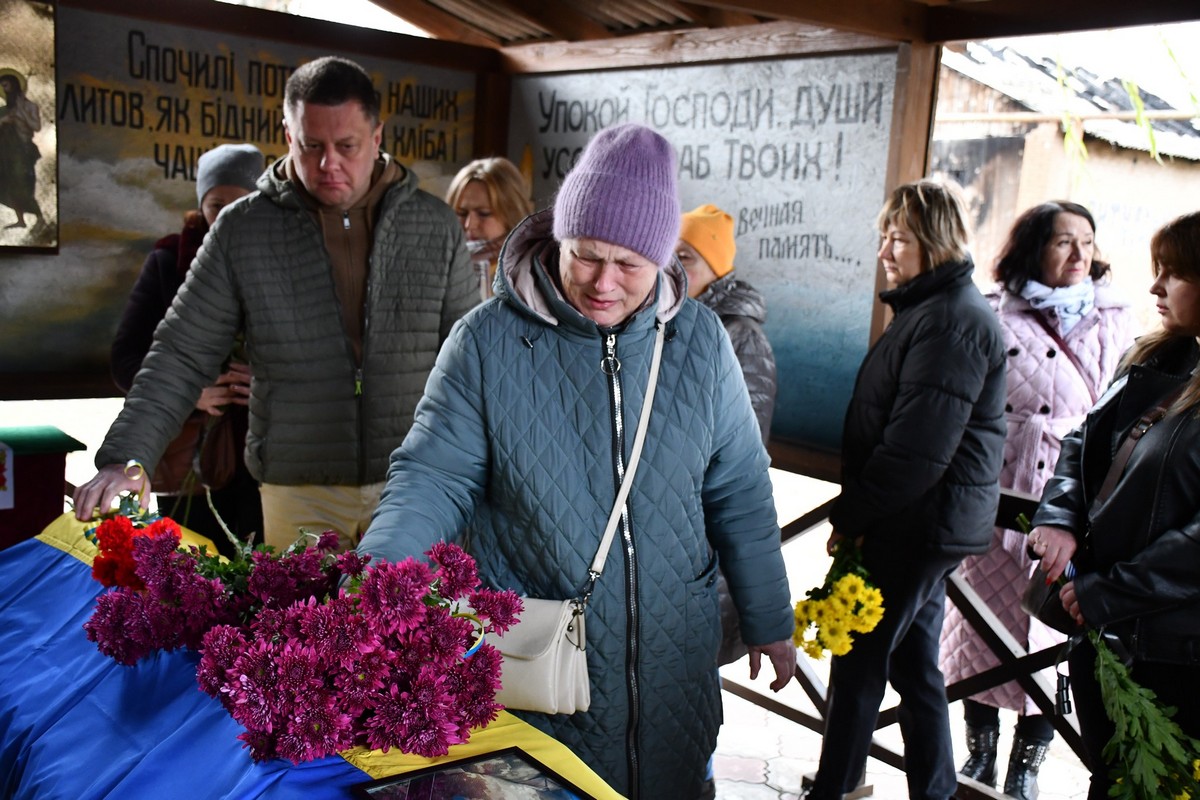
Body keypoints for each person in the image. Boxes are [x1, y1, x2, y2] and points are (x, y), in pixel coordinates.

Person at [357, 123, 796, 799]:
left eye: (630, 265)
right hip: (537, 669)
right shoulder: (485, 342)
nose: (603, 284)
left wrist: (769, 617)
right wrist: (380, 575)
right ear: (556, 237)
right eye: (586, 255)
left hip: (673, 671)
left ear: (662, 260)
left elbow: (738, 487)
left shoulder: (702, 343)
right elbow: (432, 475)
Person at [73, 56, 478, 550]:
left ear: (377, 136)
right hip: (297, 484)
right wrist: (127, 457)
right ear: (288, 136)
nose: (329, 164)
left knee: (414, 627)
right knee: (304, 625)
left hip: (415, 480)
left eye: (347, 146)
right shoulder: (244, 227)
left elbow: (468, 363)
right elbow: (181, 351)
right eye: (312, 146)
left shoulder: (435, 225)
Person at [805, 179, 1006, 800]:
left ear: (936, 240)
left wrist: (853, 514)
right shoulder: (935, 310)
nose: (886, 251)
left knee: (860, 662)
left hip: (915, 521)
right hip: (920, 520)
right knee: (914, 666)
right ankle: (935, 790)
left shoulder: (952, 321)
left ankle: (833, 790)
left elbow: (917, 451)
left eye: (899, 238)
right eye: (885, 237)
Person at [938, 201, 1135, 798]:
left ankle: (1025, 771)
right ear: (1032, 248)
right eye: (1063, 243)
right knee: (977, 636)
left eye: (1087, 242)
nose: (1079, 255)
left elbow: (1120, 416)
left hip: (1069, 508)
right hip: (995, 499)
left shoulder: (1113, 319)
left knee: (1047, 642)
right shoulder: (994, 313)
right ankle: (979, 758)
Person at [1029, 210, 1200, 800]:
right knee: (1108, 780)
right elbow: (1082, 444)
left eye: (1173, 274)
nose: (1154, 288)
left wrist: (1111, 590)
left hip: (1174, 653)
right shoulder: (1155, 355)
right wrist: (1058, 519)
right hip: (1107, 629)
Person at [109, 143, 266, 556]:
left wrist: (270, 384)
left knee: (266, 573)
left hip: (268, 458)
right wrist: (191, 393)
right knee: (193, 576)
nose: (229, 217)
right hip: (191, 462)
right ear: (201, 205)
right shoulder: (168, 261)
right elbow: (126, 360)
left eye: (243, 204)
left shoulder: (280, 262)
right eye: (218, 205)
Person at [677, 203, 776, 445]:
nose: (671, 267)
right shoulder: (665, 318)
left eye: (684, 258)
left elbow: (745, 443)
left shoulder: (742, 336)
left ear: (717, 270)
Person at [445, 156, 533, 300]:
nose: (469, 225)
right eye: (461, 213)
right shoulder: (440, 262)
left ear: (511, 214)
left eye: (483, 214)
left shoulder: (531, 273)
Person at [0, 68, 46, 230]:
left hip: (23, 150)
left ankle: (40, 217)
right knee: (8, 183)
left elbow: (37, 126)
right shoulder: (3, 110)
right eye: (2, 87)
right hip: (6, 152)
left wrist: (21, 114)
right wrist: (3, 120)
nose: (4, 90)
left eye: (6, 86)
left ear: (14, 86)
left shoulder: (30, 106)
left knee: (22, 184)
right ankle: (20, 220)